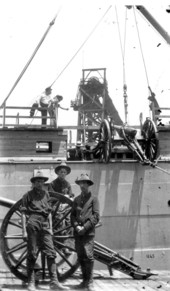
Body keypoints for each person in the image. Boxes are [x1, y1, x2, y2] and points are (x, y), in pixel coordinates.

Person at [20, 170, 68, 291]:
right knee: (32, 253)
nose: (39, 183)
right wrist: (24, 231)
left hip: (45, 224)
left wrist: (51, 228)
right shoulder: (27, 195)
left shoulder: (47, 195)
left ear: (43, 182)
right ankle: (30, 282)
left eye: (41, 181)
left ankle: (54, 282)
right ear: (34, 183)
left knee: (51, 252)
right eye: (37, 181)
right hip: (33, 222)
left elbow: (50, 214)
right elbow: (23, 213)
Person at [71, 174, 100, 291]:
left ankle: (90, 282)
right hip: (78, 233)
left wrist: (85, 227)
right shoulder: (76, 199)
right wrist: (77, 226)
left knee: (89, 256)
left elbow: (96, 216)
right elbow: (72, 216)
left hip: (88, 233)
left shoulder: (94, 199)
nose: (82, 185)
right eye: (80, 183)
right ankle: (84, 281)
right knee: (81, 256)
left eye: (85, 183)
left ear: (88, 185)